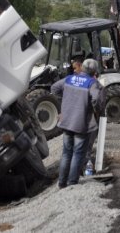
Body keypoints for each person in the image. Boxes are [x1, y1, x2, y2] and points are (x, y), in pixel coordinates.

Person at [51, 58, 101, 188]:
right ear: (94, 71)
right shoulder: (92, 83)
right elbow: (97, 100)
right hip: (81, 123)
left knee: (66, 153)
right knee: (78, 153)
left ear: (82, 68)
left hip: (66, 122)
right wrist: (94, 109)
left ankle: (62, 183)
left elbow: (54, 88)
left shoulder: (69, 79)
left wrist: (66, 101)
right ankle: (72, 182)